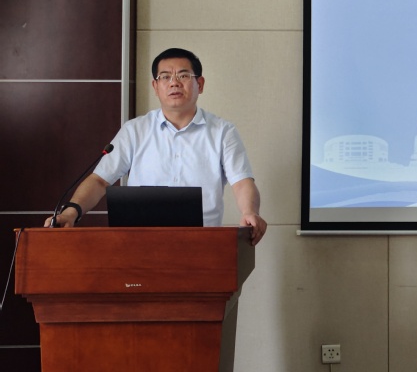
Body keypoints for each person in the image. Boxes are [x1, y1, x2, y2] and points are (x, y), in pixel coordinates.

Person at [45, 47, 268, 246]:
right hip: (140, 243)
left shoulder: (223, 132)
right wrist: (71, 212)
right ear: (155, 86)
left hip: (203, 244)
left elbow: (242, 182)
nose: (174, 82)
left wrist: (250, 212)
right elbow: (100, 180)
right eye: (165, 77)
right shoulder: (135, 130)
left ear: (199, 84)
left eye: (183, 75)